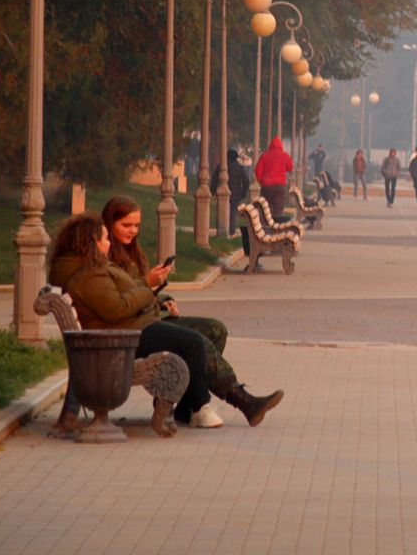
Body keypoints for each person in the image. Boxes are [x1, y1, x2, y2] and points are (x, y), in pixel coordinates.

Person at [95, 196, 284, 427]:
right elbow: (120, 299)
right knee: (197, 341)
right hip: (133, 329)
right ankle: (232, 401)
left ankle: (184, 405)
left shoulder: (131, 252)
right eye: (126, 225)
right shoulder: (106, 257)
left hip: (150, 317)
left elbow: (138, 293)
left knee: (215, 330)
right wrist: (147, 282)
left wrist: (164, 299)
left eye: (136, 225)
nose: (132, 231)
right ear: (108, 224)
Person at [254, 136, 293, 213]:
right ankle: (276, 222)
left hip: (267, 186)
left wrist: (261, 181)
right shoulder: (285, 155)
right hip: (280, 185)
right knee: (278, 207)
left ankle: (266, 224)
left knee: (266, 208)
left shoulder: (264, 155)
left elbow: (257, 170)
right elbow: (290, 167)